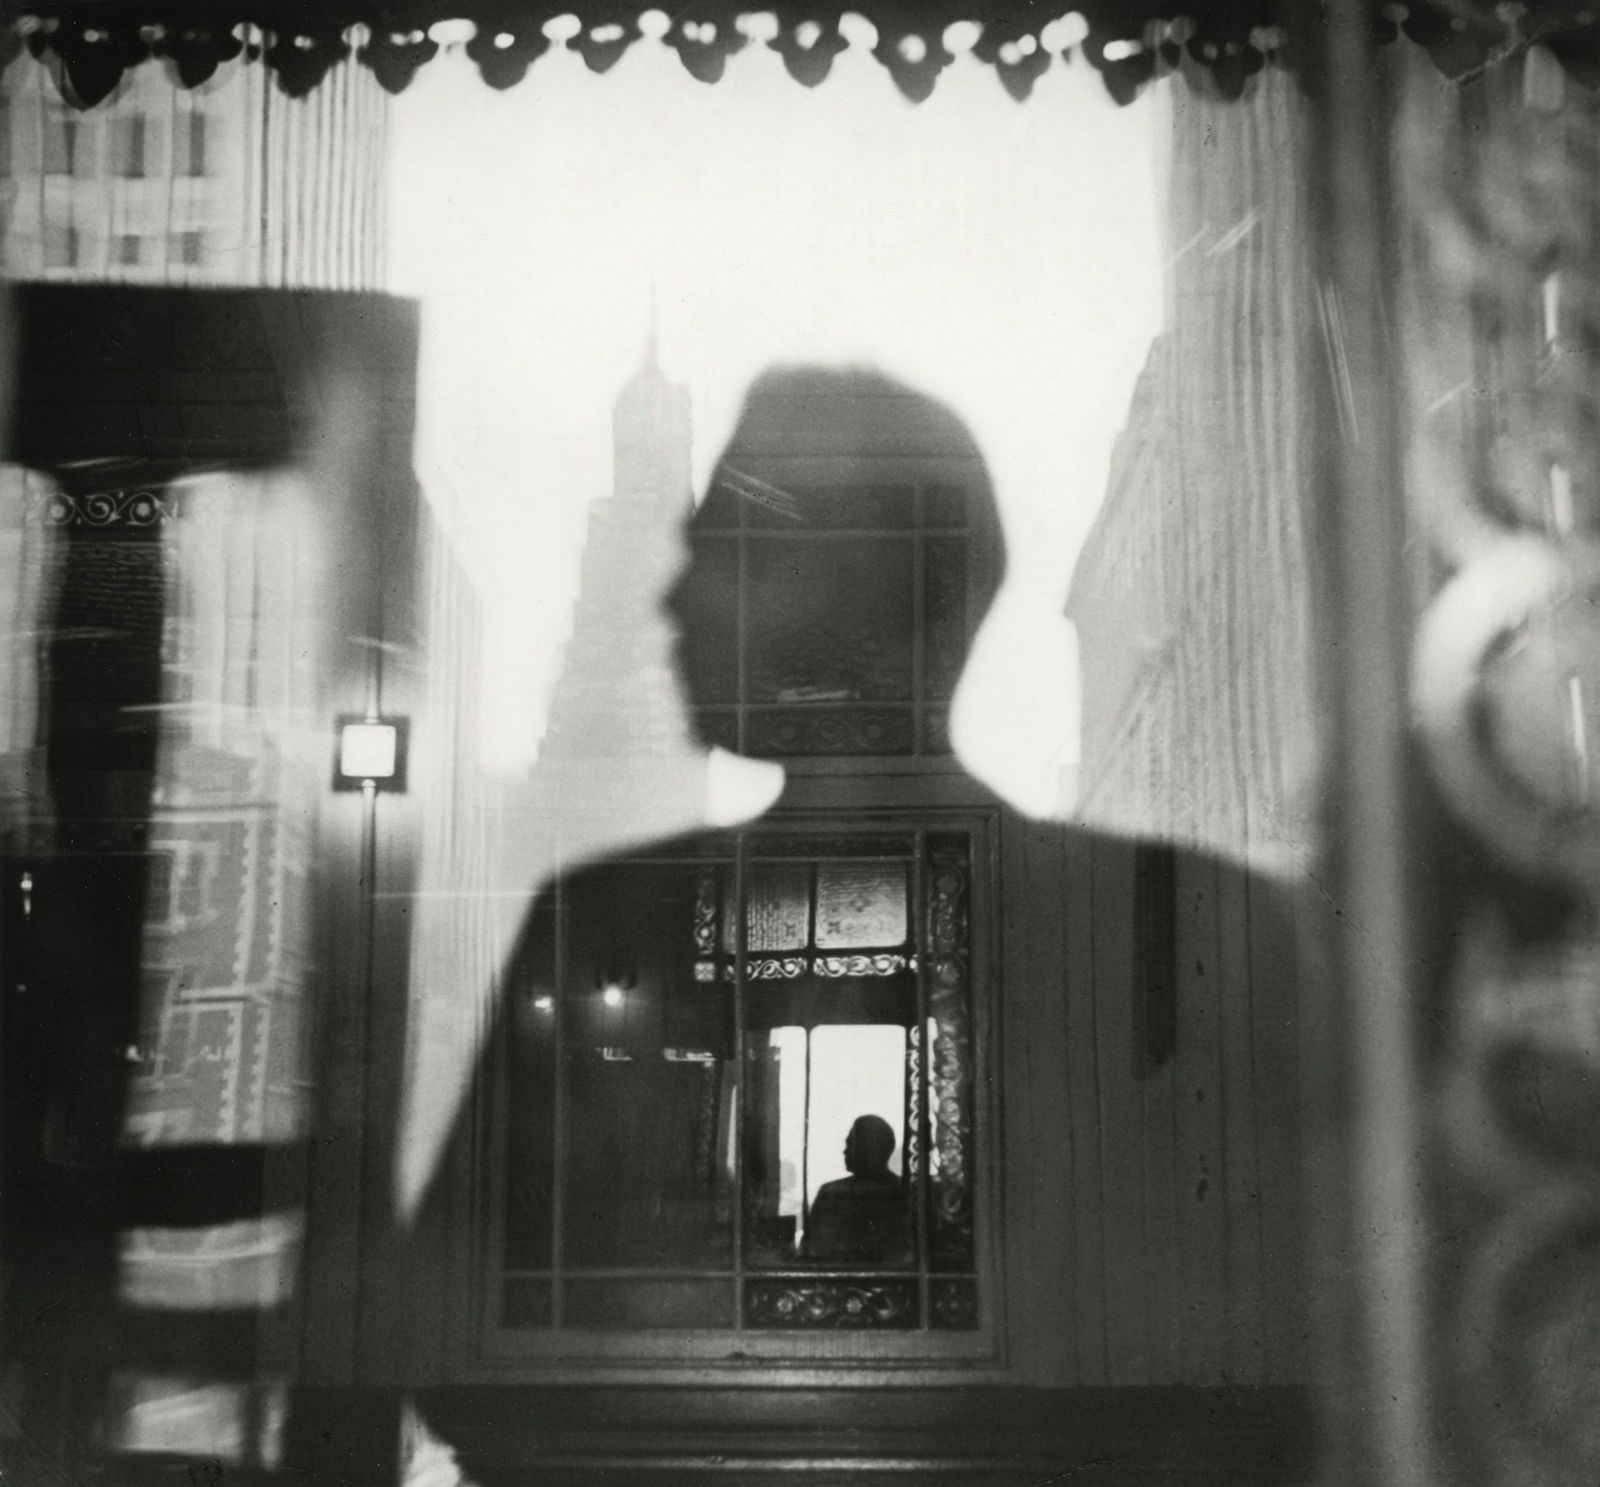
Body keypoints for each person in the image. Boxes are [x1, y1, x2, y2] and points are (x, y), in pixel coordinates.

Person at [803, 1114, 911, 1264]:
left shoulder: (831, 1193)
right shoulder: (904, 1192)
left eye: (850, 1144)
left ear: (870, 1147)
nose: (845, 1151)